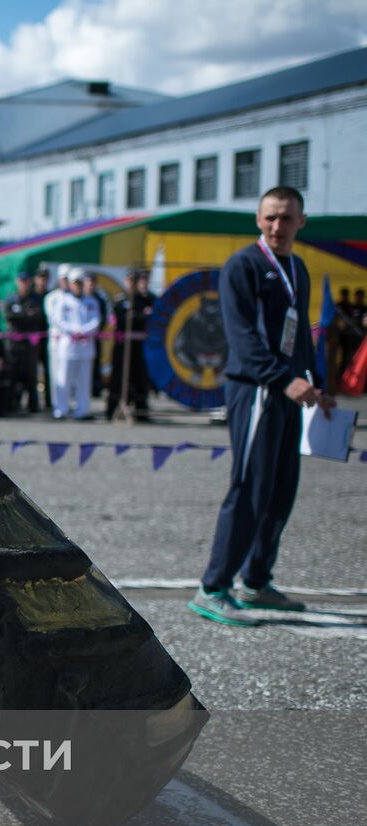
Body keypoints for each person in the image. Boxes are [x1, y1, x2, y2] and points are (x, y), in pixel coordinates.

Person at [189, 186, 335, 625]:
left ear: (301, 222)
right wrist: (282, 379)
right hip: (255, 390)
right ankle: (213, 587)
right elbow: (243, 339)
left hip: (290, 390)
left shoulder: (297, 267)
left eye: (287, 218)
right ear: (257, 218)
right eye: (270, 217)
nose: (277, 226)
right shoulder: (243, 266)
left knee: (281, 489)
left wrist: (314, 382)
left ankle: (255, 581)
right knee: (250, 488)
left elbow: (300, 337)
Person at [47, 266, 100, 419]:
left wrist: (84, 331)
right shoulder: (62, 301)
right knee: (63, 379)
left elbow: (95, 321)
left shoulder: (91, 301)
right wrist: (74, 330)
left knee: (84, 381)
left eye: (80, 283)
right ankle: (61, 409)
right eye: (75, 283)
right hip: (67, 345)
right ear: (70, 284)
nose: (78, 286)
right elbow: (58, 320)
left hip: (85, 347)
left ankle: (82, 410)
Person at [107, 269, 154, 420]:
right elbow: (121, 319)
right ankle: (114, 408)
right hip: (124, 344)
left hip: (139, 344)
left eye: (136, 281)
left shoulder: (146, 299)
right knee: (119, 377)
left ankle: (141, 410)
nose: (133, 284)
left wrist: (138, 316)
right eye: (131, 281)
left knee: (140, 377)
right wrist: (140, 316)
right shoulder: (121, 299)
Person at [5, 270, 46, 414]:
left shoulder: (35, 299)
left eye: (26, 281)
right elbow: (9, 317)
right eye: (21, 281)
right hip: (14, 344)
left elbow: (37, 317)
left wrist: (20, 317)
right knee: (13, 375)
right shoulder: (11, 299)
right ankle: (12, 405)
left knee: (31, 376)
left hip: (30, 344)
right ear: (17, 282)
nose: (24, 284)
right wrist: (25, 315)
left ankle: (33, 406)